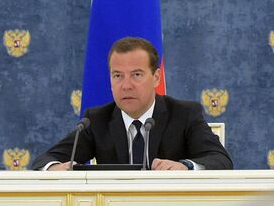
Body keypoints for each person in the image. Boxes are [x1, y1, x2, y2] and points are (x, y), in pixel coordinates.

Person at [35, 37, 233, 170]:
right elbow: (44, 161)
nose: (126, 85)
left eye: (136, 75)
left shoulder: (184, 114)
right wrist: (54, 168)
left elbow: (220, 160)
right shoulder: (96, 120)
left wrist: (186, 166)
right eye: (117, 76)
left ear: (156, 78)